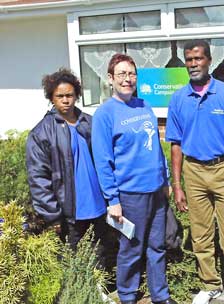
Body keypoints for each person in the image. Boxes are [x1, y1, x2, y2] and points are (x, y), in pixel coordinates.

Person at [165, 39, 224, 304]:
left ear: (209, 60)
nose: (193, 64)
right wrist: (177, 185)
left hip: (223, 169)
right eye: (189, 59)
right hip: (193, 172)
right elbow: (175, 145)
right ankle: (210, 284)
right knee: (200, 235)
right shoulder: (178, 99)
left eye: (198, 58)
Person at [91, 53, 177, 304]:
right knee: (131, 249)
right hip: (130, 195)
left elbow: (156, 149)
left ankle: (160, 295)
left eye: (131, 74)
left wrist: (167, 180)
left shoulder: (144, 105)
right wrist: (112, 199)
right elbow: (103, 161)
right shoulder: (105, 114)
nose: (127, 79)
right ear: (110, 79)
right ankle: (127, 296)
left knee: (157, 246)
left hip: (156, 190)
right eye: (122, 74)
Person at [26, 68, 107, 256]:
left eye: (69, 95)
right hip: (69, 214)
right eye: (60, 96)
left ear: (76, 95)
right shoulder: (41, 133)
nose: (65, 100)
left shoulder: (90, 123)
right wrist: (53, 216)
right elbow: (38, 179)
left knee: (100, 261)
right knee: (73, 265)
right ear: (51, 98)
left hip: (98, 208)